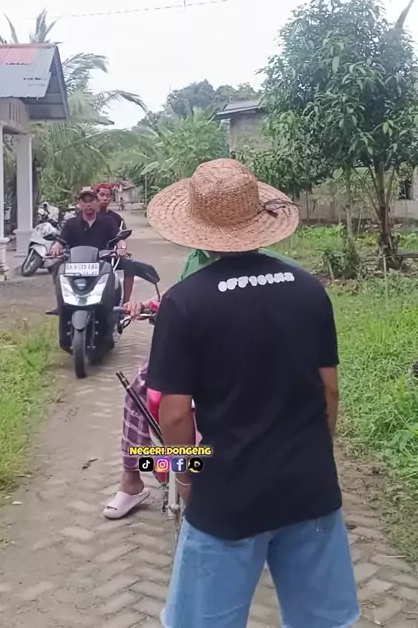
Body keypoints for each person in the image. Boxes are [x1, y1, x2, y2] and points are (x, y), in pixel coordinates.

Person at [146, 159, 359, 628]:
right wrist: (311, 455)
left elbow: (176, 415)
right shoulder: (309, 290)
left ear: (198, 230)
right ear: (258, 221)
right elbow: (329, 390)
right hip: (310, 489)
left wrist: (186, 478)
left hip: (227, 496)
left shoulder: (184, 303)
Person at [104, 246, 304, 520]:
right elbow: (176, 296)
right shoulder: (194, 259)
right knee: (139, 389)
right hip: (193, 354)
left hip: (246, 356)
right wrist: (150, 305)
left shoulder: (281, 267)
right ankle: (132, 478)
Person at [47, 186, 128, 321]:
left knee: (121, 274)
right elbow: (60, 242)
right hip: (75, 266)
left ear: (96, 202)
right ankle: (61, 302)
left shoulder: (108, 222)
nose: (88, 204)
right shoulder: (71, 223)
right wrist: (55, 249)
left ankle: (118, 308)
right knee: (56, 267)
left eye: (91, 200)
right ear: (79, 203)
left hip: (101, 265)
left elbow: (119, 240)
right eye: (84, 201)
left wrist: (122, 248)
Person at [94, 183, 134, 303]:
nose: (105, 198)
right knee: (58, 265)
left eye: (108, 196)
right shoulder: (86, 215)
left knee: (130, 264)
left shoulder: (116, 218)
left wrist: (122, 249)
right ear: (95, 196)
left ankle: (126, 302)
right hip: (87, 257)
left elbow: (121, 238)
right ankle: (62, 301)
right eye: (102, 195)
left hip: (110, 256)